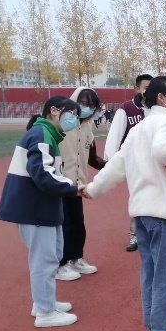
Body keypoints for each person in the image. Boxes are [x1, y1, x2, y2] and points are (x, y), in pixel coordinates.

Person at [83, 76, 166, 331]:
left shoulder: (139, 128)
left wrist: (93, 188)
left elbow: (116, 165)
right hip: (161, 211)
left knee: (151, 274)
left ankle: (155, 327)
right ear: (163, 98)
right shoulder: (162, 122)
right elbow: (164, 151)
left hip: (141, 213)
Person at [0, 96, 85, 328]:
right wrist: (73, 188)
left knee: (53, 255)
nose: (75, 120)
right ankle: (45, 312)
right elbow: (42, 175)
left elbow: (47, 174)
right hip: (34, 208)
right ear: (54, 111)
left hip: (42, 207)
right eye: (72, 114)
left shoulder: (47, 135)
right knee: (43, 260)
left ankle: (44, 303)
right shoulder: (41, 134)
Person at [55, 88, 106, 281]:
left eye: (91, 105)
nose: (87, 108)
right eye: (83, 103)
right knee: (62, 225)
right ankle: (59, 264)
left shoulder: (87, 128)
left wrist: (113, 167)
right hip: (59, 183)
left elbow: (92, 158)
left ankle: (75, 258)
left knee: (77, 224)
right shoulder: (61, 124)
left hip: (77, 186)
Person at [104, 74, 154, 252]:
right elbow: (115, 136)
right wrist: (110, 162)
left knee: (154, 197)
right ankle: (135, 235)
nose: (148, 91)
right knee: (137, 197)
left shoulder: (155, 109)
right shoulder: (126, 108)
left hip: (154, 161)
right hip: (135, 162)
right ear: (137, 89)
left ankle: (151, 233)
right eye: (145, 87)